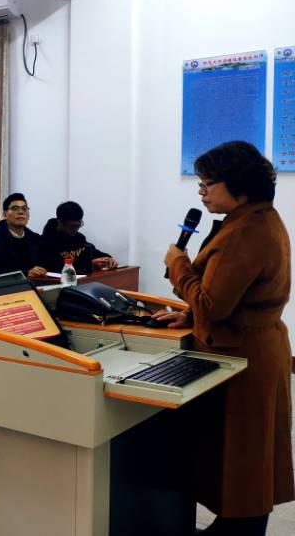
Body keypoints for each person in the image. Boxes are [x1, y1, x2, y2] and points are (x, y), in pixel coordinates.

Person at [154, 141, 293, 536]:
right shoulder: (258, 218)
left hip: (243, 358)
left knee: (243, 460)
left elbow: (213, 306)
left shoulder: (243, 232)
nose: (200, 191)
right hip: (257, 346)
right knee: (249, 459)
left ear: (239, 186)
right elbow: (237, 296)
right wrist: (188, 314)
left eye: (207, 183)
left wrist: (177, 263)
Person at [39, 201, 118, 274]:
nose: (76, 229)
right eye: (72, 226)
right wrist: (89, 264)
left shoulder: (79, 238)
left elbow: (94, 253)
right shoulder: (45, 242)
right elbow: (54, 266)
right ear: (60, 222)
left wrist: (108, 259)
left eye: (79, 225)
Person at [0, 193, 46, 278]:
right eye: (15, 208)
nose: (21, 212)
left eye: (24, 208)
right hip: (7, 285)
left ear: (28, 215)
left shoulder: (34, 238)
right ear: (5, 215)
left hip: (36, 282)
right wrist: (25, 273)